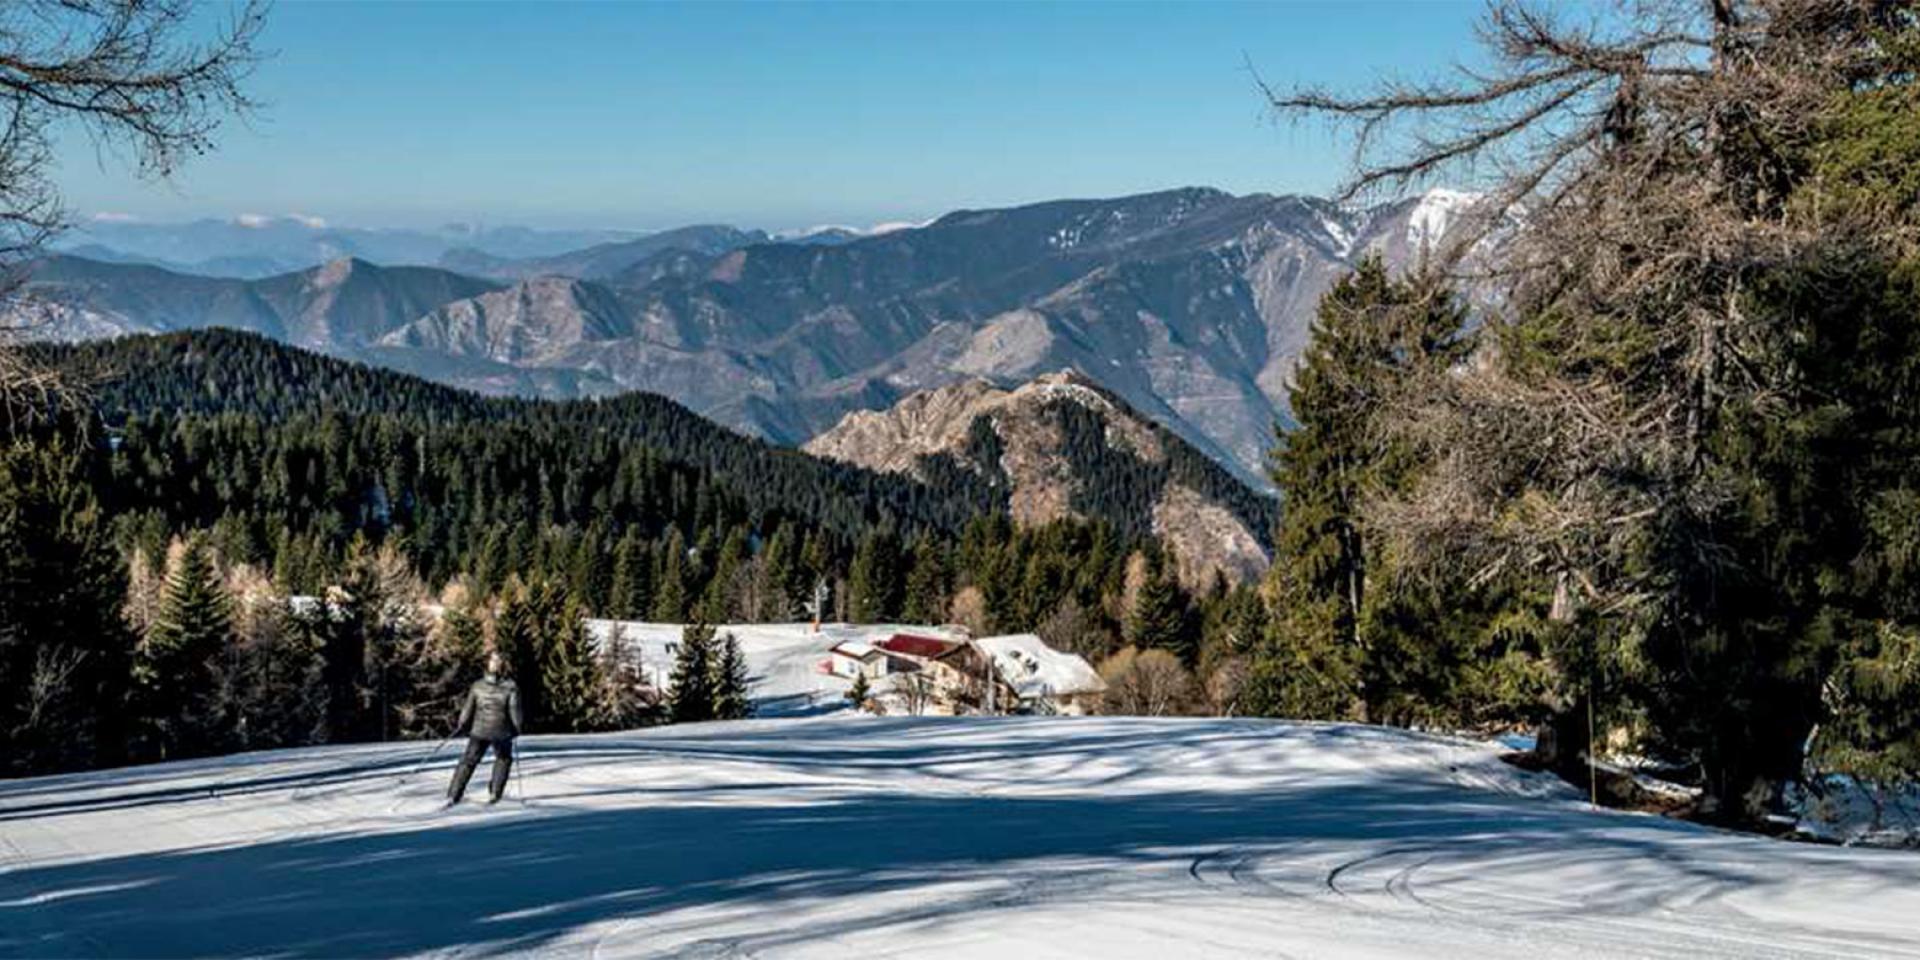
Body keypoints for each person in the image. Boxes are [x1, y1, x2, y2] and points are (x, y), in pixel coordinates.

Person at [446, 651, 523, 805]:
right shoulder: (511, 687)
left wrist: (462, 724)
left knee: (468, 761)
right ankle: (495, 793)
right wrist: (516, 728)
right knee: (503, 760)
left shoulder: (477, 686)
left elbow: (468, 709)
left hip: (479, 731)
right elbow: (515, 710)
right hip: (502, 731)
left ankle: (454, 794)